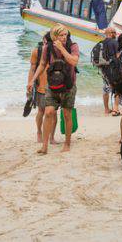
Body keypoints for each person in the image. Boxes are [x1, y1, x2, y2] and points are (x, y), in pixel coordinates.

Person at [34, 24, 80, 155]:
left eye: (65, 34)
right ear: (55, 36)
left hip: (68, 86)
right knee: (48, 112)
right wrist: (33, 80)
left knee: (66, 114)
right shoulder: (47, 48)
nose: (64, 37)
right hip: (52, 85)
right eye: (61, 35)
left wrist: (62, 48)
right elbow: (42, 64)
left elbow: (74, 62)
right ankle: (44, 146)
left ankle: (67, 143)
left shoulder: (73, 46)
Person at [26, 39, 56, 145]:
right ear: (43, 41)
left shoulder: (56, 50)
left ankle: (51, 137)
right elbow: (32, 69)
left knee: (54, 112)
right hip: (41, 86)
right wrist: (29, 83)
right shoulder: (37, 52)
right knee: (41, 111)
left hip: (55, 86)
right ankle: (39, 132)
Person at [100, 27, 120, 116]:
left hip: (104, 69)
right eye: (114, 32)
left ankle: (106, 109)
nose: (115, 34)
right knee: (117, 88)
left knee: (105, 88)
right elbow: (118, 55)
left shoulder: (101, 43)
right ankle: (116, 108)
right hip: (113, 68)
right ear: (110, 33)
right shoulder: (115, 42)